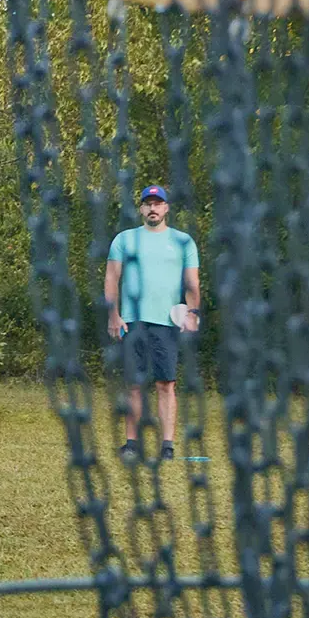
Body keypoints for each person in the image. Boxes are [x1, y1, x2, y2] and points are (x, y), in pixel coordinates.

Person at [104, 184, 200, 462]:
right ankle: (131, 444)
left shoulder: (183, 241)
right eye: (148, 203)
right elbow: (112, 278)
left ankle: (167, 446)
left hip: (166, 323)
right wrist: (113, 314)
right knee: (134, 384)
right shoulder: (124, 239)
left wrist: (193, 314)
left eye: (158, 203)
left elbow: (192, 283)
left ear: (167, 208)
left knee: (165, 384)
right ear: (141, 208)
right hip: (131, 322)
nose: (153, 208)